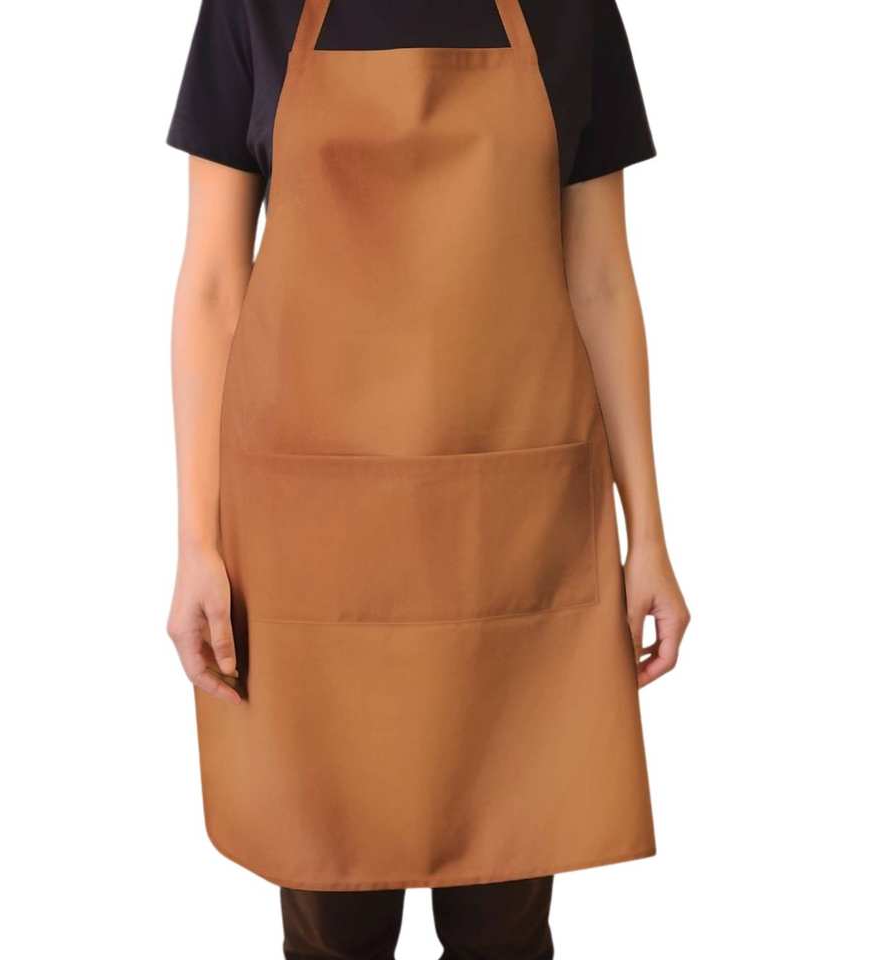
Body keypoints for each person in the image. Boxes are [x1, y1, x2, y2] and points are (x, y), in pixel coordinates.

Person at [165, 1, 690, 956]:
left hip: (512, 538)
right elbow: (211, 282)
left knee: (505, 927)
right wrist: (196, 541)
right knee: (332, 923)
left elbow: (602, 277)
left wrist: (647, 536)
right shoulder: (254, 6)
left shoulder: (570, 9)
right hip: (311, 551)